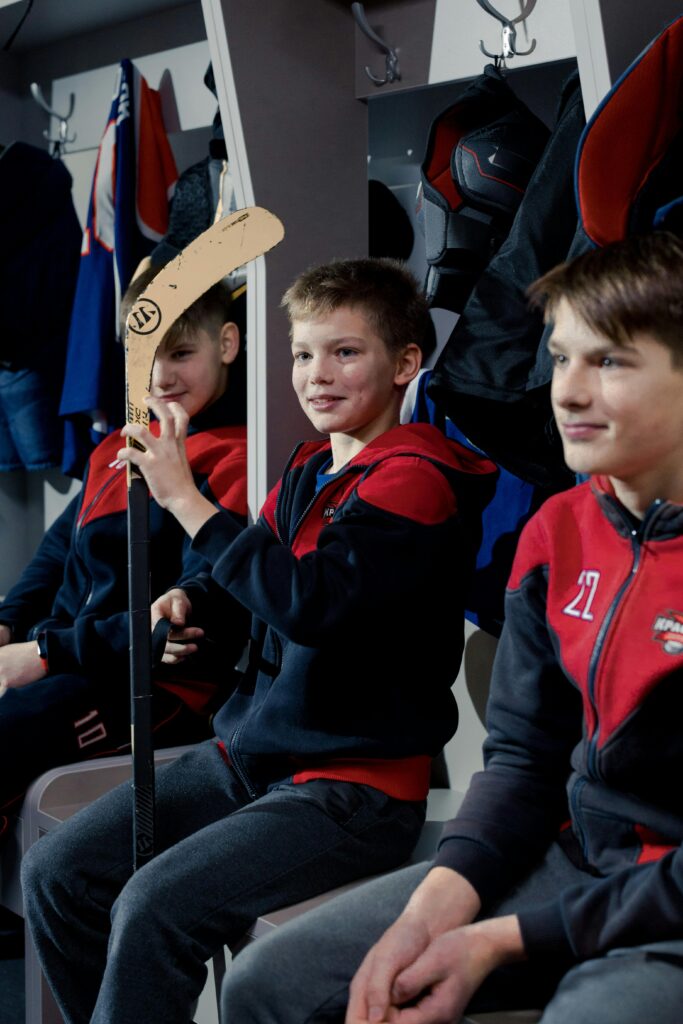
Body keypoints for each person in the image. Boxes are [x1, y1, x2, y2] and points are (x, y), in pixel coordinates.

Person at [219, 231, 683, 1024]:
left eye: (607, 362)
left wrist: (503, 939)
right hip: (572, 863)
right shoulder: (558, 532)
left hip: (664, 898)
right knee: (270, 982)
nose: (565, 393)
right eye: (560, 358)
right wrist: (436, 906)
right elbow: (523, 763)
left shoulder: (413, 476)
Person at [20, 257, 495, 1024]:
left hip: (352, 789)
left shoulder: (415, 480)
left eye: (346, 352)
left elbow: (313, 605)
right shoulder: (310, 468)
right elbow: (249, 576)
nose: (316, 374)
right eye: (305, 353)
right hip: (249, 759)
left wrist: (184, 499)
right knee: (59, 871)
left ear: (406, 363)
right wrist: (188, 598)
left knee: (150, 907)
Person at [0, 267, 249, 843]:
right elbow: (55, 554)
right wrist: (9, 623)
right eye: (144, 354)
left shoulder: (234, 459)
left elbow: (185, 624)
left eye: (181, 352)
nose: (159, 375)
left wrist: (42, 654)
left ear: (227, 343)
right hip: (66, 660)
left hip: (149, 695)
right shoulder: (117, 445)